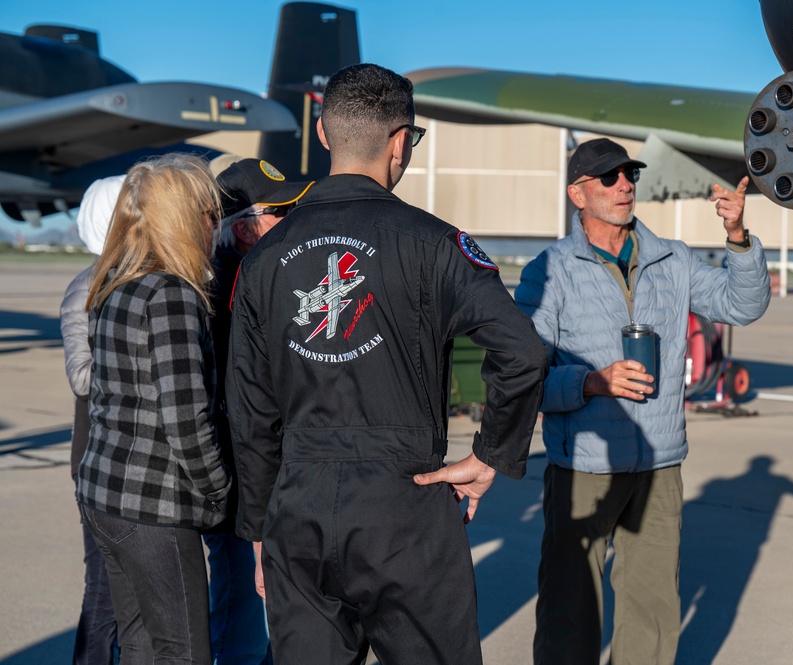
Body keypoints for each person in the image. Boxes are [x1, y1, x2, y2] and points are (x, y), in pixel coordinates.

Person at [225, 63, 547, 665]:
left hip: (298, 505)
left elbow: (250, 406)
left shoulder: (264, 259)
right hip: (405, 505)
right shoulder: (433, 243)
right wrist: (489, 455)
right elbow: (522, 351)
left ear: (323, 135)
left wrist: (261, 528)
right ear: (401, 142)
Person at [515, 137, 771, 665]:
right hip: (584, 464)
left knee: (653, 609)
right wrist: (590, 383)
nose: (625, 184)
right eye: (608, 177)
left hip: (659, 462)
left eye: (629, 174)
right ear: (577, 194)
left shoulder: (672, 258)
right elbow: (521, 375)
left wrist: (738, 238)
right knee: (570, 610)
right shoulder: (550, 269)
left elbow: (742, 305)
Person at [77, 153, 232, 665]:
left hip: (104, 493)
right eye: (211, 214)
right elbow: (186, 417)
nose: (217, 225)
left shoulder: (114, 282)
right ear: (184, 218)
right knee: (184, 651)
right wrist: (218, 489)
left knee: (140, 643)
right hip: (153, 507)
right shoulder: (170, 294)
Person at [205, 158, 312, 665]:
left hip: (264, 471)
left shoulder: (258, 274)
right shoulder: (228, 287)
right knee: (243, 609)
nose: (297, 217)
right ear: (245, 228)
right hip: (245, 478)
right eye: (283, 209)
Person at [60, 174, 125, 665]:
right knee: (103, 588)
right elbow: (81, 377)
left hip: (123, 454)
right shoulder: (87, 284)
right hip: (98, 458)